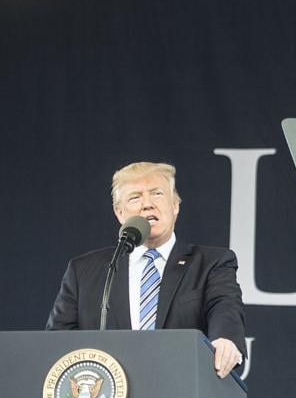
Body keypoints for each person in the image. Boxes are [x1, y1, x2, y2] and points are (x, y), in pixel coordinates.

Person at [47, 161, 246, 378]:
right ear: (119, 212)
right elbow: (57, 343)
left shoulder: (211, 263)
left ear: (175, 205)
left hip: (183, 391)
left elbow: (224, 306)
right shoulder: (83, 271)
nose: (147, 204)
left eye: (157, 194)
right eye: (135, 197)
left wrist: (226, 340)